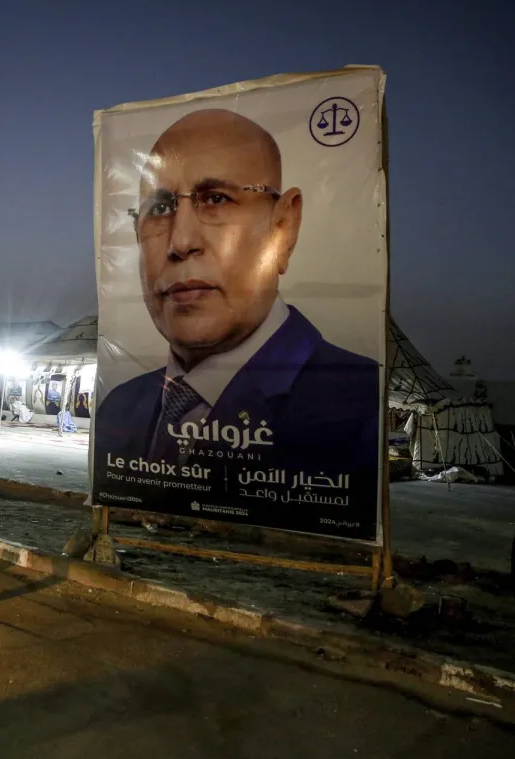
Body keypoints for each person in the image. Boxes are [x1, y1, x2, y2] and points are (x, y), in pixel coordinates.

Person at [96, 109, 378, 485]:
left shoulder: (359, 407)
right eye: (159, 209)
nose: (181, 242)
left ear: (283, 227)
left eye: (216, 199)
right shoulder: (118, 407)